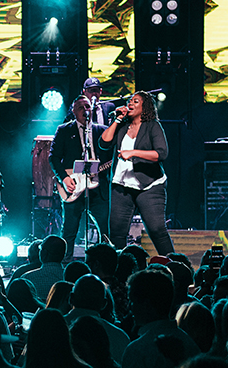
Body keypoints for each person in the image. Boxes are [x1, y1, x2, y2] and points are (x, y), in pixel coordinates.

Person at [99, 91, 174, 256]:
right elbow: (104, 143)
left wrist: (133, 152)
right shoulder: (122, 125)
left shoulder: (153, 126)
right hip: (121, 186)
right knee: (117, 233)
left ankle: (176, 266)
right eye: (129, 101)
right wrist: (117, 119)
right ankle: (119, 273)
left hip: (150, 185)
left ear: (145, 107)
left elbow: (161, 154)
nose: (130, 103)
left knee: (157, 230)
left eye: (136, 101)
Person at [50, 95, 111, 257]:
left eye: (87, 107)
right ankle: (64, 267)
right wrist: (64, 178)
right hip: (74, 186)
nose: (85, 110)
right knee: (69, 230)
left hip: (99, 188)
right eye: (80, 107)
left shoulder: (102, 131)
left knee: (105, 230)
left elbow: (112, 155)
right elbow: (53, 157)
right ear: (73, 111)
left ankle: (104, 264)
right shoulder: (64, 130)